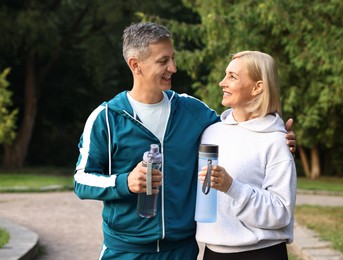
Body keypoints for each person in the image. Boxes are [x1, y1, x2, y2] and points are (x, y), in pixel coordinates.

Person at [74, 22, 296, 260]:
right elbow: (81, 180)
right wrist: (124, 182)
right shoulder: (106, 118)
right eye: (163, 61)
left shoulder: (192, 111)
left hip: (182, 251)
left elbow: (241, 126)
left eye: (173, 58)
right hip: (126, 251)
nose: (173, 67)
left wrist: (278, 134)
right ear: (135, 65)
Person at [196, 51, 297, 260]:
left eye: (232, 77)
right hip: (213, 253)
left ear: (258, 87)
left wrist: (232, 187)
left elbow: (282, 211)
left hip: (262, 253)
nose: (222, 82)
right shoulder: (211, 132)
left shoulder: (277, 141)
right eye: (225, 75)